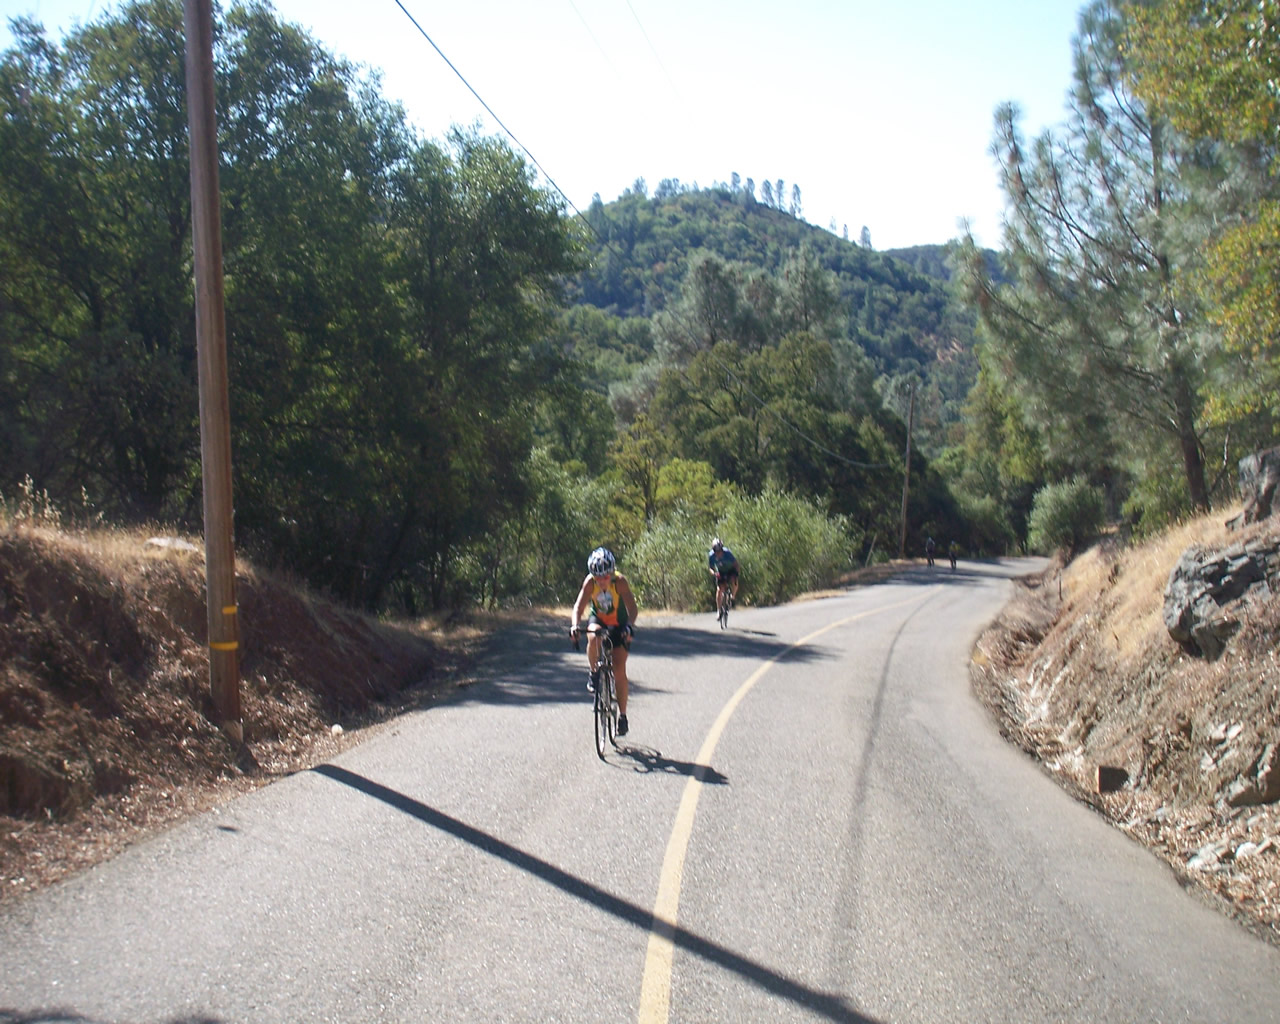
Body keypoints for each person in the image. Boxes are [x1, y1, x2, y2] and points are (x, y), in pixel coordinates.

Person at [570, 546, 638, 737]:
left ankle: (622, 716)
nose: (601, 581)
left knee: (619, 670)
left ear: (611, 573)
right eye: (597, 577)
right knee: (593, 635)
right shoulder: (590, 583)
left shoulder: (620, 582)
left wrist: (629, 627)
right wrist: (575, 626)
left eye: (605, 576)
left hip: (619, 624)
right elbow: (578, 607)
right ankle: (594, 672)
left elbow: (633, 609)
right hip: (599, 620)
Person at [707, 538, 739, 614]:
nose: (718, 553)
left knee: (735, 582)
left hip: (730, 569)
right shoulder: (711, 556)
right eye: (716, 551)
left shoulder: (728, 553)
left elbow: (736, 564)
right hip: (720, 571)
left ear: (722, 549)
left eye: (720, 551)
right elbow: (711, 568)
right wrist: (714, 573)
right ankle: (719, 610)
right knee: (719, 589)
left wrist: (736, 574)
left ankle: (732, 597)